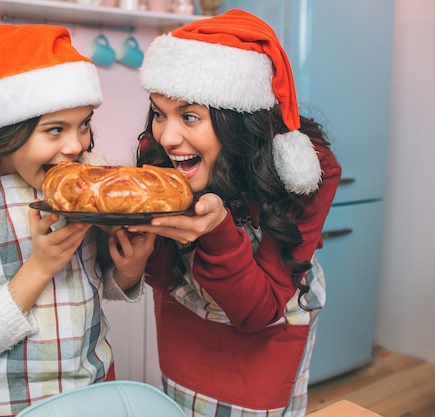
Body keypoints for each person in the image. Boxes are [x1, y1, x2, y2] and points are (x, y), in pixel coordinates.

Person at [0, 24, 152, 417]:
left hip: (91, 395)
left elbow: (95, 287)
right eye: (54, 130)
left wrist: (130, 268)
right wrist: (39, 268)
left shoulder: (86, 175)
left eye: (84, 124)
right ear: (7, 130)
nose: (75, 146)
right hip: (3, 407)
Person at [125, 9, 342, 417]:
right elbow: (160, 275)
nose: (167, 137)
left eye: (189, 116)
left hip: (266, 336)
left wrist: (219, 230)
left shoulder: (304, 169)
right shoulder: (157, 158)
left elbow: (259, 312)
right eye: (158, 113)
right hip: (184, 328)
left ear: (237, 120)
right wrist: (138, 254)